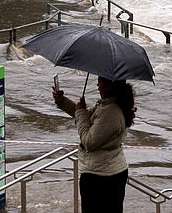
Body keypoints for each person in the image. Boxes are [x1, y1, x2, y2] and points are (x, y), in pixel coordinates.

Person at [53, 76, 136, 213]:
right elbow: (84, 116)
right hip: (108, 171)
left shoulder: (110, 112)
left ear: (109, 86)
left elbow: (89, 142)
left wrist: (80, 112)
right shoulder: (107, 105)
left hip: (101, 176)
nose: (97, 84)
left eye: (100, 82)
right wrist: (62, 101)